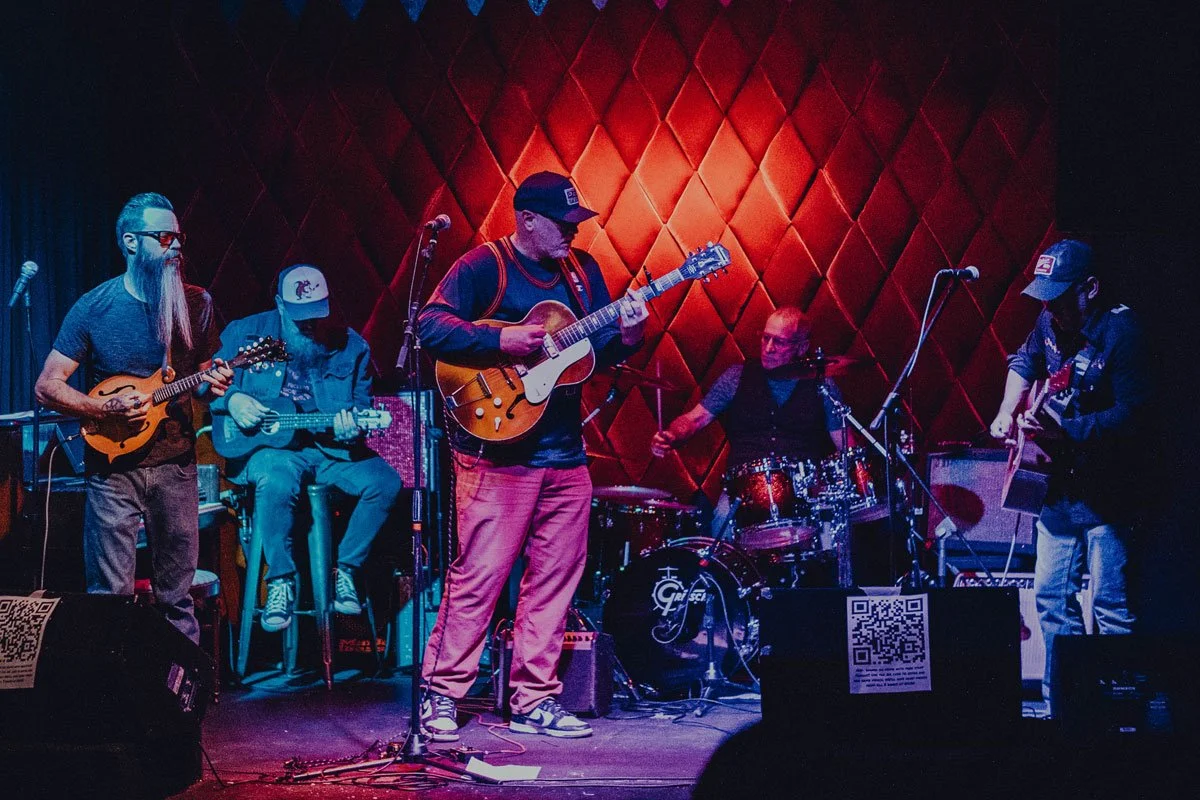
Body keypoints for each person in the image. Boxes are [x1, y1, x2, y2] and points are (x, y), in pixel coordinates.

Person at [417, 171, 648, 741]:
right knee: (481, 575)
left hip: (564, 452)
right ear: (527, 220)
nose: (573, 232)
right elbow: (430, 326)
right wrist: (500, 340)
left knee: (554, 580)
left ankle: (534, 699)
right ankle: (440, 693)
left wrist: (630, 334)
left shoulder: (582, 272)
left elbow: (596, 351)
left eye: (576, 223)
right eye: (563, 223)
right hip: (496, 451)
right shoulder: (484, 265)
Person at [35, 192, 234, 643]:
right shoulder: (94, 307)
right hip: (112, 472)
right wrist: (101, 407)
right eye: (163, 237)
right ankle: (116, 687)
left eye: (178, 237)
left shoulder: (196, 304)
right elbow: (47, 386)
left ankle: (180, 685)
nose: (176, 246)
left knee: (177, 598)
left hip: (176, 467)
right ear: (130, 242)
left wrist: (215, 381)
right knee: (110, 598)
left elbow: (201, 382)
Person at [989, 239, 1149, 711]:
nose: (1050, 308)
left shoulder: (1123, 332)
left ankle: (1119, 718)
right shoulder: (1049, 321)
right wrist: (1007, 410)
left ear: (1090, 289)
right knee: (1051, 599)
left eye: (1059, 297)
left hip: (1109, 494)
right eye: (1045, 297)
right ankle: (1067, 708)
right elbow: (1024, 361)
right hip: (1058, 492)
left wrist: (1069, 432)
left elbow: (1135, 415)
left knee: (1111, 607)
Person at [210, 264, 402, 632]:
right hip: (269, 453)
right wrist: (233, 399)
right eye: (300, 317)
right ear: (280, 305)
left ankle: (346, 569)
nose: (309, 325)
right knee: (276, 477)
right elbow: (207, 385)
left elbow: (360, 410)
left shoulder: (352, 347)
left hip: (330, 451)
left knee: (385, 482)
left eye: (316, 314)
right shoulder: (246, 335)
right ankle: (280, 580)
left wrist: (351, 431)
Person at [650, 306, 851, 533]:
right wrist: (672, 435)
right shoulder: (736, 376)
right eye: (765, 338)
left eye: (779, 342)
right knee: (723, 518)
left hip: (804, 490)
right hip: (744, 491)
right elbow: (695, 419)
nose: (768, 348)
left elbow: (846, 446)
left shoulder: (823, 384)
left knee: (831, 526)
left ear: (802, 347)